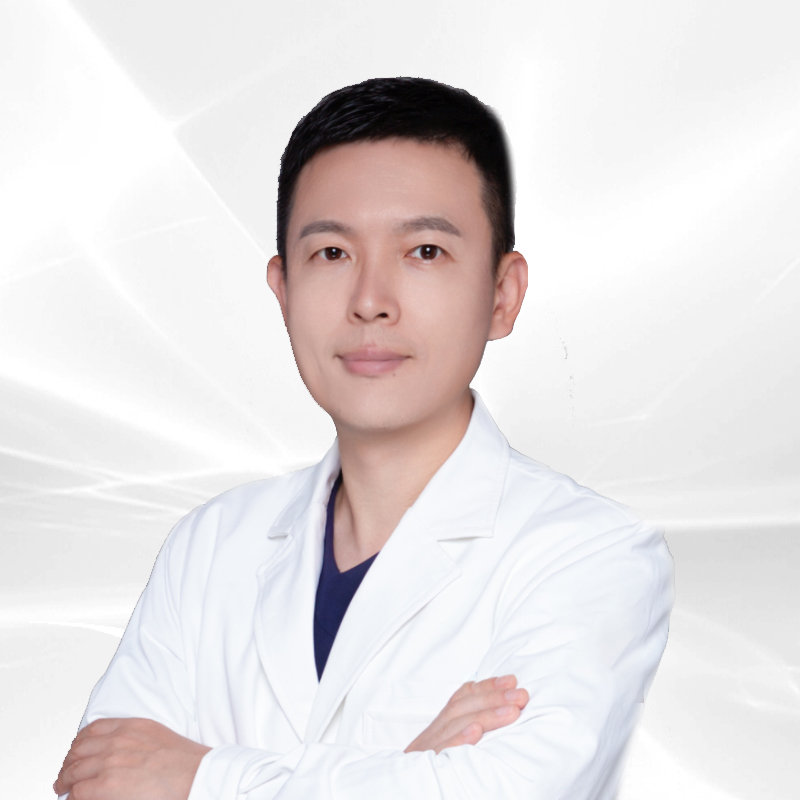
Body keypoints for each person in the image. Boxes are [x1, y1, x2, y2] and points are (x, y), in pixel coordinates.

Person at [54, 77, 673, 800]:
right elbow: (95, 785)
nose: (371, 301)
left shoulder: (592, 555)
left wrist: (199, 774)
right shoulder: (210, 547)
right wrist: (407, 770)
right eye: (332, 254)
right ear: (283, 291)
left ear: (502, 295)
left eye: (425, 251)